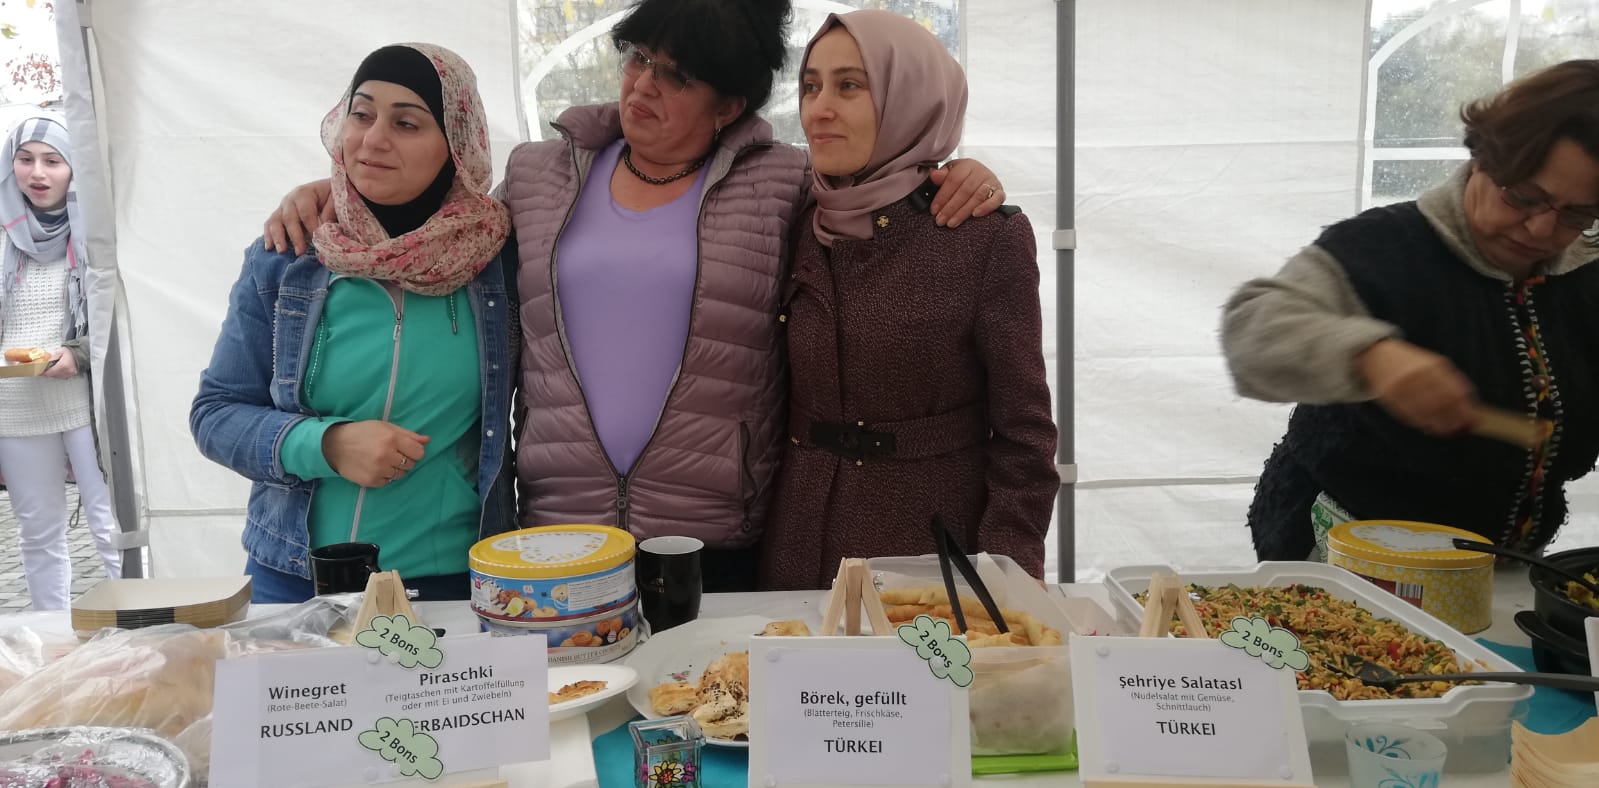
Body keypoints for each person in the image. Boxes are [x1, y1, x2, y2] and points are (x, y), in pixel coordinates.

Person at [263, 0, 1007, 593]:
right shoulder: (538, 174)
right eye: (639, 60)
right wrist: (331, 191)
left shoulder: (782, 182)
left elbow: (872, 193)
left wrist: (958, 172)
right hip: (559, 530)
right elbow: (443, 225)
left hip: (711, 529)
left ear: (729, 105)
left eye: (677, 77)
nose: (644, 86)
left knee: (708, 714)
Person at [1222, 59, 1599, 561]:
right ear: (1484, 158)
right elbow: (1252, 329)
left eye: (1577, 213)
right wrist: (1371, 357)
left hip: (1504, 562)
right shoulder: (1380, 249)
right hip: (1345, 554)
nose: (1541, 229)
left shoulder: (1587, 275)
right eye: (1524, 197)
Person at [191, 44, 517, 603]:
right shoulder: (287, 256)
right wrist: (326, 444)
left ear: (457, 148)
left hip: (450, 585)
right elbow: (215, 414)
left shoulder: (497, 261)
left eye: (407, 123)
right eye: (361, 114)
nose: (373, 140)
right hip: (296, 581)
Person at [758, 10, 1059, 590]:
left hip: (932, 557)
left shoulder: (981, 235)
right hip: (797, 550)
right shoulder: (797, 219)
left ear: (910, 98)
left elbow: (1025, 436)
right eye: (811, 87)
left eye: (850, 86)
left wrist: (1008, 575)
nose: (819, 109)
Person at [0, 113, 122, 610]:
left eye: (53, 160)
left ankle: (140, 630)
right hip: (16, 404)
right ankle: (50, 635)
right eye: (25, 159)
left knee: (112, 526)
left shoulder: (99, 233)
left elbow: (119, 314)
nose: (37, 173)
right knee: (37, 531)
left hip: (87, 401)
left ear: (74, 168)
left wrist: (77, 352)